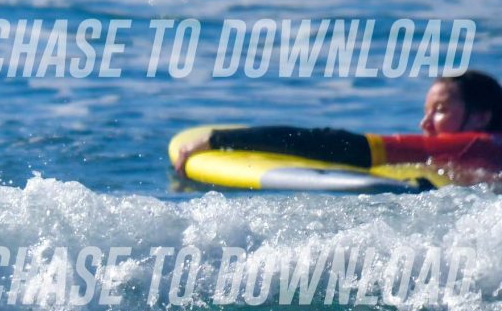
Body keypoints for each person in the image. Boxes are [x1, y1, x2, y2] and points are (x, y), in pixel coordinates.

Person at [176, 70, 502, 181]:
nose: (424, 123)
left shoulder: (475, 145)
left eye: (440, 110)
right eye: (425, 111)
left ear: (481, 116)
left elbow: (337, 145)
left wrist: (219, 139)